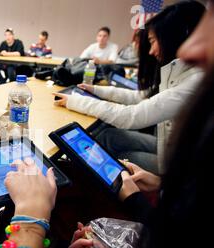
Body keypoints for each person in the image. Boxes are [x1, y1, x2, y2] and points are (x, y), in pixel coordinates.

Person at [0, 0, 214, 248]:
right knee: (103, 144)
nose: (190, 49)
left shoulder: (193, 82)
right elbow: (176, 241)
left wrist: (31, 218)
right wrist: (156, 186)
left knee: (65, 188)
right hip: (151, 206)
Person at [53, 1, 205, 175]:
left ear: (173, 38)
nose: (151, 51)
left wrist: (75, 101)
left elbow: (131, 116)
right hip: (168, 146)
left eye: (152, 41)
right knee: (106, 136)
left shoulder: (195, 81)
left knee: (112, 156)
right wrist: (95, 90)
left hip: (176, 166)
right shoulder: (180, 72)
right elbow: (139, 97)